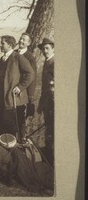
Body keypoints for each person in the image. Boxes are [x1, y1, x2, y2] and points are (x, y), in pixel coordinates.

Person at [0, 35, 35, 141]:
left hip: (13, 100)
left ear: (10, 45)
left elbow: (30, 73)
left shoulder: (18, 57)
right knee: (1, 128)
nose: (0, 45)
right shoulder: (1, 60)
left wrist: (20, 87)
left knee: (13, 128)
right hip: (2, 100)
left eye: (3, 43)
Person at [37, 38, 54, 166]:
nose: (45, 51)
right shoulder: (46, 63)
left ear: (52, 48)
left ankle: (52, 160)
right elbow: (44, 87)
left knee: (52, 131)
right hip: (47, 102)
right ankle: (48, 159)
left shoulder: (55, 62)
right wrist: (41, 105)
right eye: (43, 49)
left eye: (47, 48)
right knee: (48, 129)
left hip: (53, 102)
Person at [16, 33, 37, 120]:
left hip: (22, 91)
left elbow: (33, 77)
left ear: (28, 43)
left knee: (20, 116)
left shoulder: (30, 58)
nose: (21, 41)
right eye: (21, 38)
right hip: (12, 89)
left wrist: (30, 95)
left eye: (24, 40)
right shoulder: (13, 54)